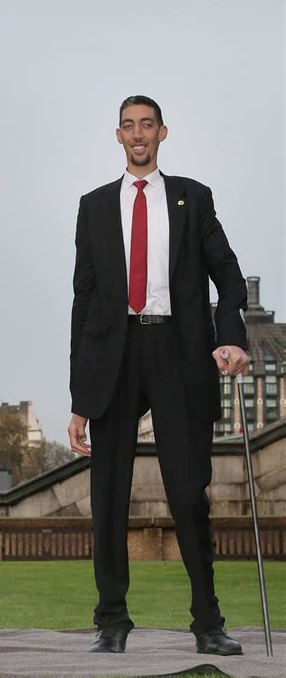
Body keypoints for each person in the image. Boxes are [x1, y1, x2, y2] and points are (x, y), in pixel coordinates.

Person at [68, 95, 248, 656]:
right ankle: (112, 621)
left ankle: (208, 623)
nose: (138, 134)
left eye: (147, 125)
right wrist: (79, 397)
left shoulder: (193, 198)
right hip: (114, 355)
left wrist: (231, 336)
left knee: (189, 495)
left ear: (162, 133)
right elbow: (84, 299)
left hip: (178, 350)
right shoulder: (94, 206)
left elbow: (229, 276)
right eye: (129, 126)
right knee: (108, 496)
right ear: (117, 136)